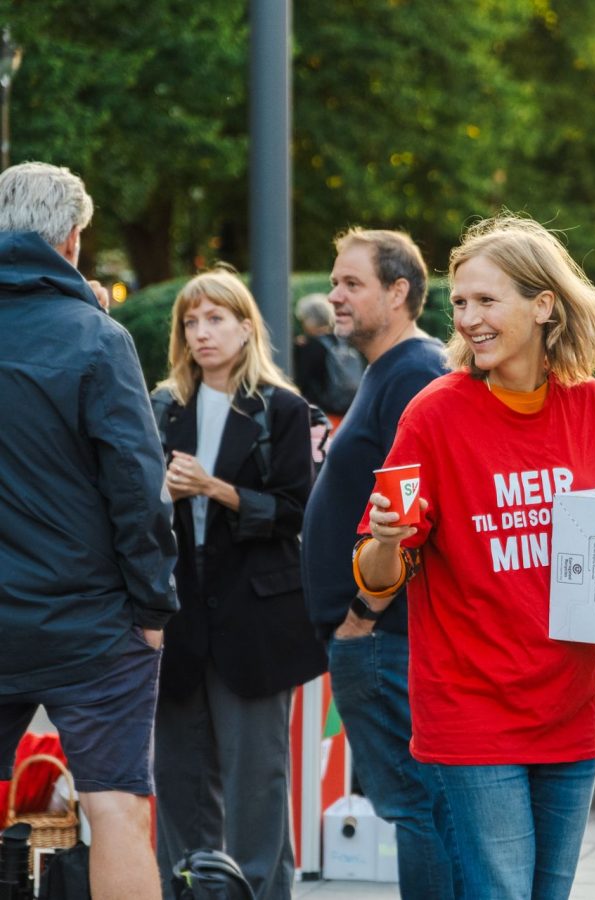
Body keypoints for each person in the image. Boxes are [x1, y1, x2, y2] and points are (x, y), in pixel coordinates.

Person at [355, 214, 595, 900]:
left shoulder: (591, 407)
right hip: (472, 713)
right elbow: (377, 582)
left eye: (487, 300)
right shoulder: (434, 415)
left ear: (542, 305)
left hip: (568, 709)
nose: (468, 319)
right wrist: (385, 538)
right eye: (460, 303)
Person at [0, 161, 178, 900]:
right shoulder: (97, 338)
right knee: (115, 807)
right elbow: (138, 488)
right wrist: (154, 605)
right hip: (92, 620)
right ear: (72, 239)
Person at [151, 269, 327, 900]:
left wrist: (217, 491)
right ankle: (186, 890)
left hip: (256, 626)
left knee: (258, 786)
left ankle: (262, 893)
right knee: (178, 781)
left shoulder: (283, 409)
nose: (201, 333)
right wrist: (159, 493)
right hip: (178, 623)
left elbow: (297, 512)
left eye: (215, 319)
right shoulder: (162, 408)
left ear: (246, 327)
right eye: (190, 322)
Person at [300, 229, 455, 896]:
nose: (335, 294)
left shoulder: (414, 372)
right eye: (334, 282)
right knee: (416, 806)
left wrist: (362, 616)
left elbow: (415, 516)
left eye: (352, 283)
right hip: (375, 635)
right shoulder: (389, 370)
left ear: (398, 292)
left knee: (416, 806)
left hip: (384, 636)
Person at [293, 291, 365, 427]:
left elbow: (300, 381)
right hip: (348, 413)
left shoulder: (309, 346)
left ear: (309, 320)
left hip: (321, 416)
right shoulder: (343, 341)